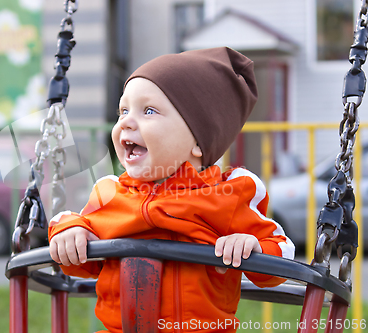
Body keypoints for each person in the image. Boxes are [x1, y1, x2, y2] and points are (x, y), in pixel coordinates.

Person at [48, 47, 295, 333]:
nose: (126, 121)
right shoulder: (110, 192)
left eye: (149, 111)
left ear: (198, 142)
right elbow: (80, 259)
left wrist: (252, 246)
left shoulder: (228, 195)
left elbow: (281, 255)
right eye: (123, 110)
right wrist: (71, 232)